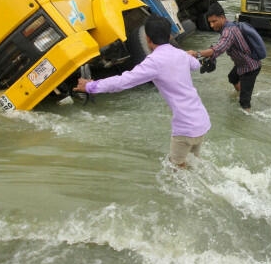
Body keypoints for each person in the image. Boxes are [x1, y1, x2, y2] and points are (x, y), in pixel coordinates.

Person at [74, 15, 210, 169]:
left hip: (185, 127)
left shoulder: (154, 62)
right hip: (202, 121)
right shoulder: (180, 55)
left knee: (176, 170)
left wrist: (90, 86)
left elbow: (123, 81)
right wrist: (187, 54)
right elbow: (195, 65)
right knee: (193, 165)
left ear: (148, 39)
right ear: (169, 35)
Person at [188, 2, 262, 111]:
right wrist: (208, 58)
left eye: (214, 21)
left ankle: (246, 115)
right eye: (210, 22)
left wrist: (197, 53)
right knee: (232, 77)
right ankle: (241, 92)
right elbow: (221, 46)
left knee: (244, 103)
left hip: (250, 67)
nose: (212, 25)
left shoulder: (229, 31)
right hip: (241, 64)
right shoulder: (226, 27)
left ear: (222, 17)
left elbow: (218, 48)